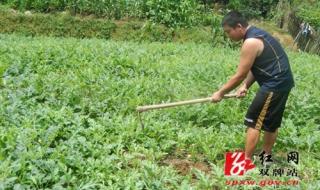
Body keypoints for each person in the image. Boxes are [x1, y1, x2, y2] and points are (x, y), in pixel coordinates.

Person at [211, 11, 294, 166]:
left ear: (239, 27)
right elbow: (256, 66)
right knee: (271, 122)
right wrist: (245, 86)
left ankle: (245, 162)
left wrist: (220, 93)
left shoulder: (250, 42)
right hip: (282, 82)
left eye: (229, 32)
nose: (228, 36)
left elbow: (239, 75)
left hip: (274, 84)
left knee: (254, 121)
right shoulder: (258, 34)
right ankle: (266, 157)